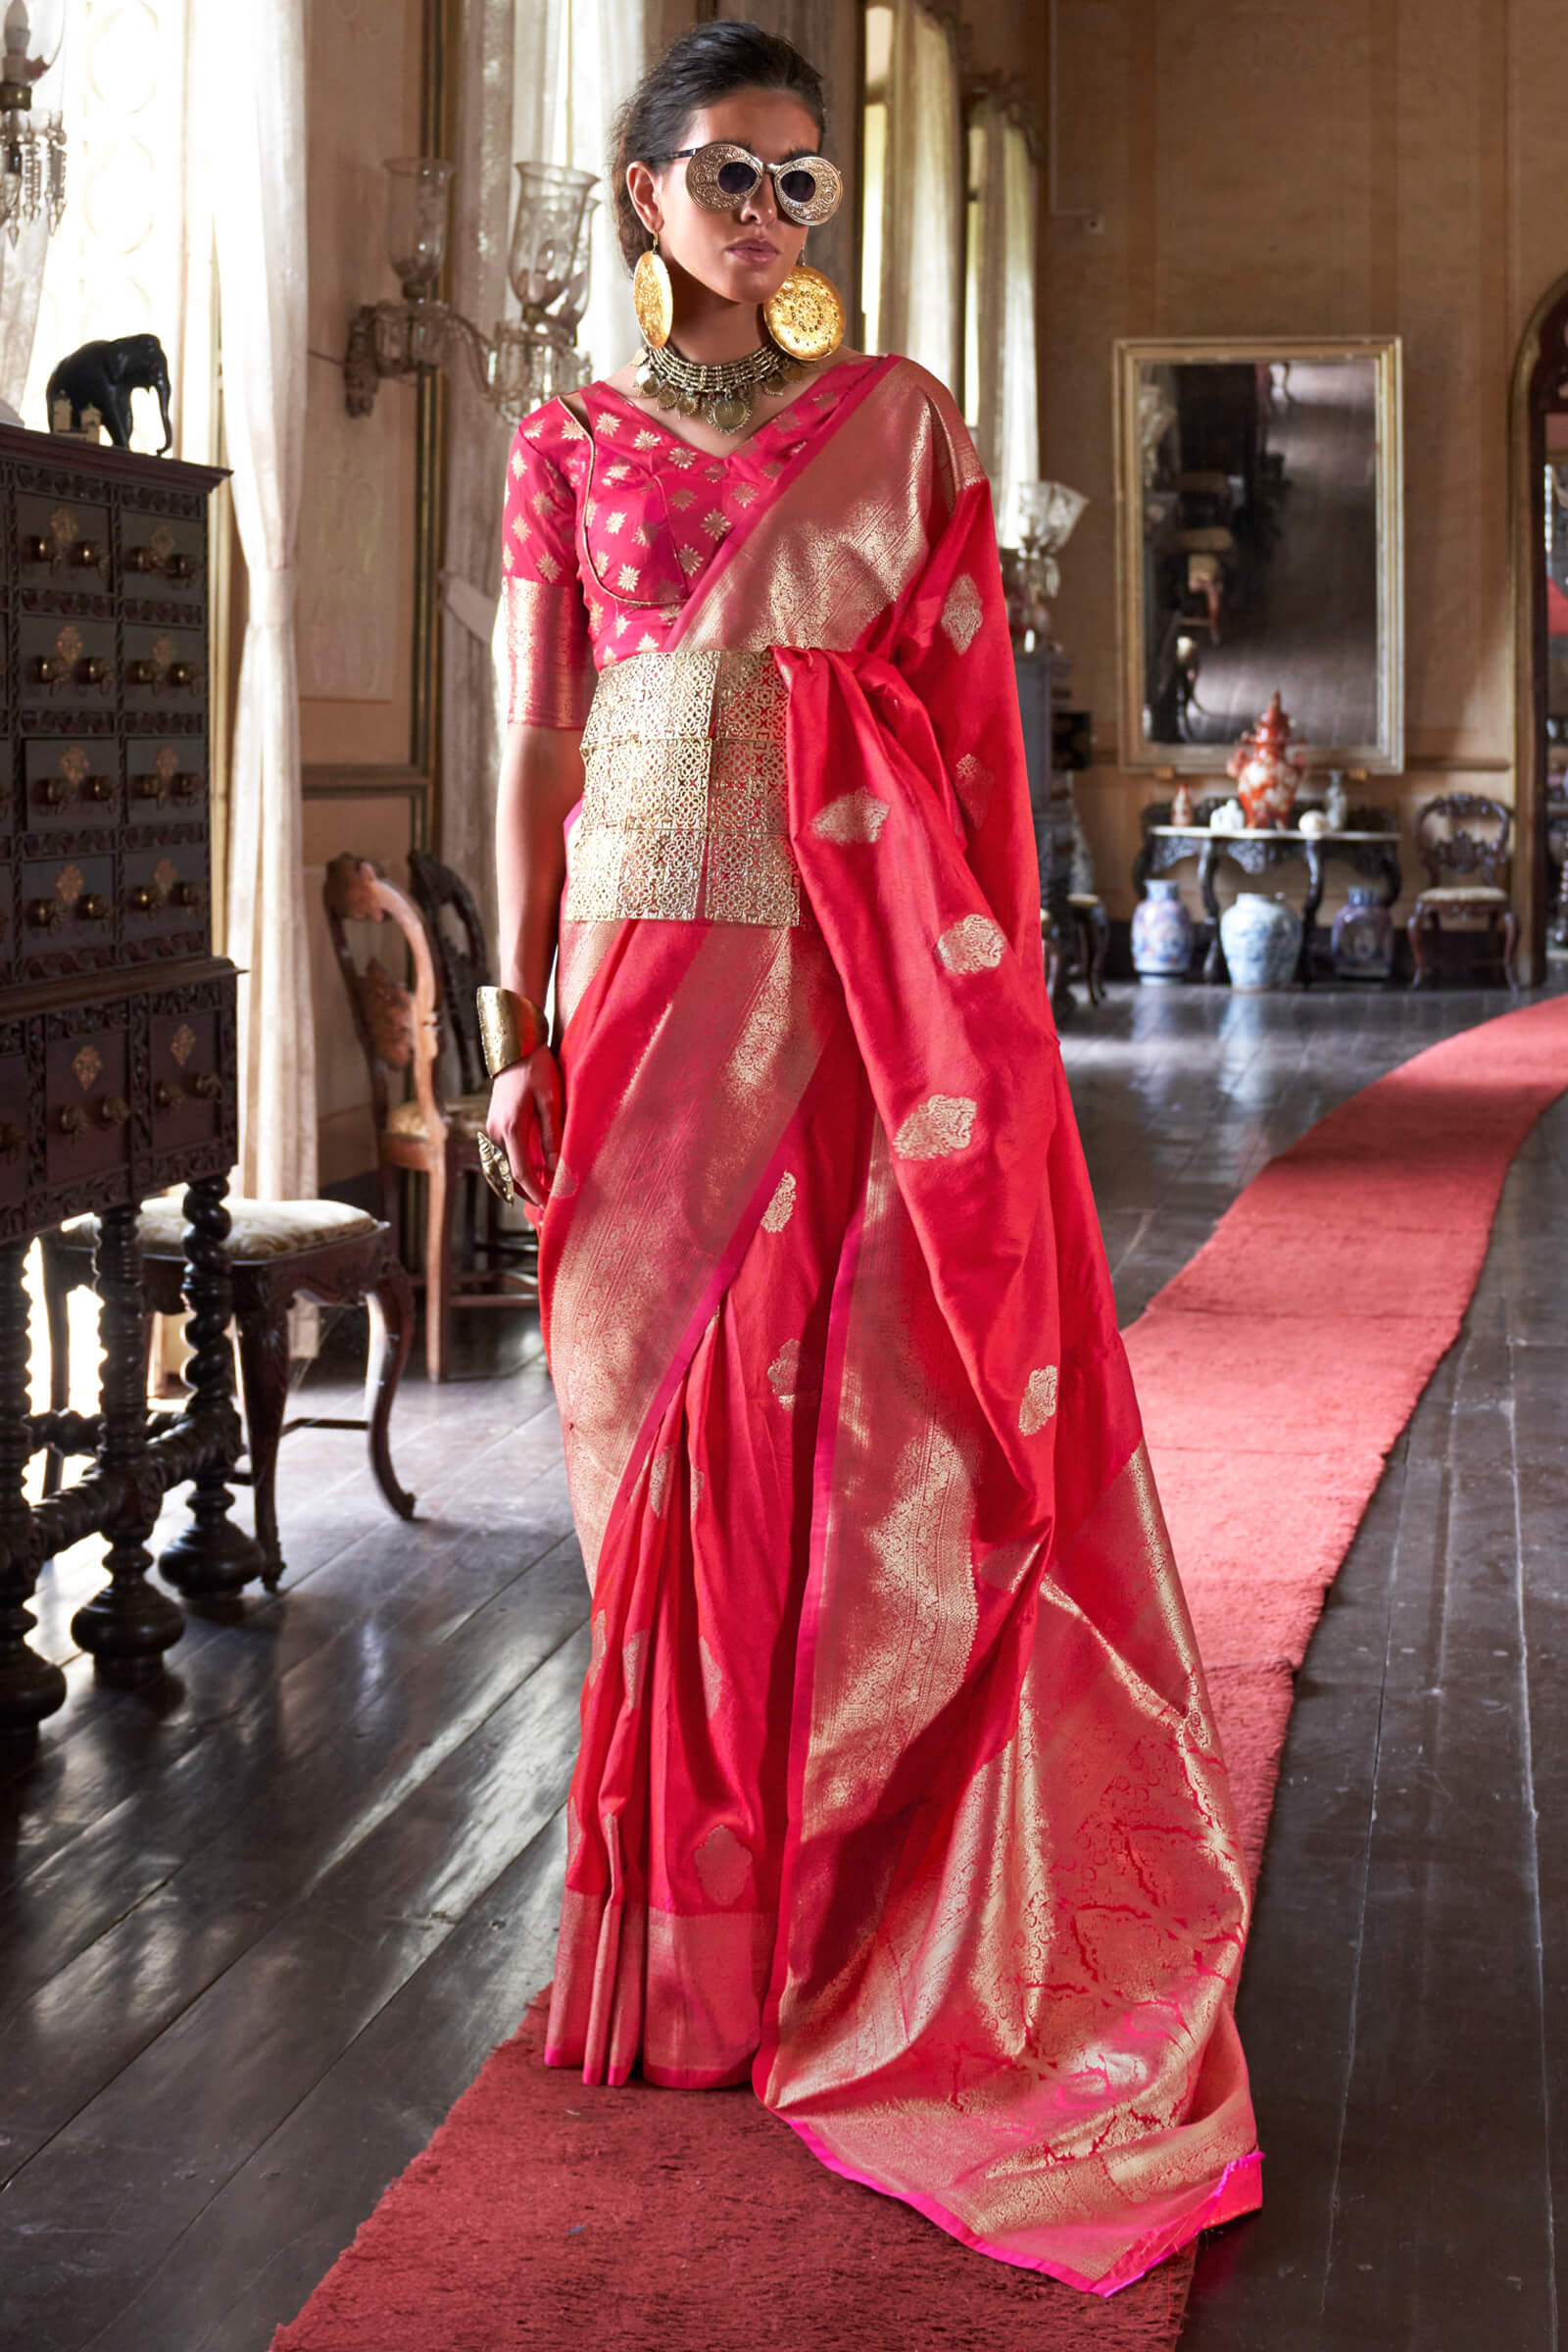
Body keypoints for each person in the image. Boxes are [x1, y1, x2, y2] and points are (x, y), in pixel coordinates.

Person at [483, 19, 1259, 2299]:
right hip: (636, 957)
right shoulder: (559, 441)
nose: (764, 215)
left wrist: (988, 1003)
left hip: (847, 969)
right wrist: (526, 1005)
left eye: (798, 182)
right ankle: (674, 1945)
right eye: (724, 175)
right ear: (640, 198)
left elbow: (955, 728)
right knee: (647, 1453)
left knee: (833, 1425)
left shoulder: (905, 421)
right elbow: (536, 728)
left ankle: (826, 1918)